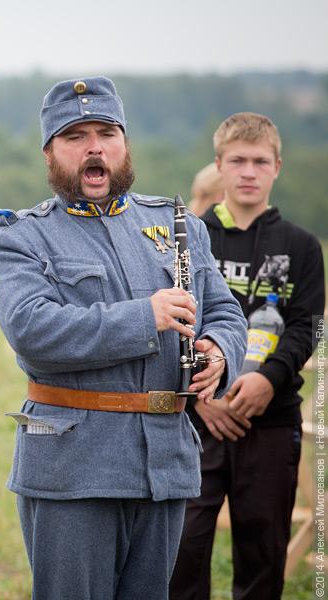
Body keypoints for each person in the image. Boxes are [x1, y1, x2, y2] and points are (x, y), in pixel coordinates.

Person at [0, 76, 247, 599]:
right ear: (50, 153)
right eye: (75, 136)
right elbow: (33, 330)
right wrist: (144, 317)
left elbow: (224, 310)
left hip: (164, 464)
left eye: (106, 132)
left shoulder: (179, 226)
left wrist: (219, 350)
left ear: (124, 143)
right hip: (73, 467)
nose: (94, 146)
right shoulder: (19, 238)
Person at [171, 113, 325, 600]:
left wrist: (268, 381)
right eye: (237, 160)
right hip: (195, 420)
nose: (248, 171)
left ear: (277, 166)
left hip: (271, 418)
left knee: (263, 556)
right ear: (219, 165)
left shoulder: (301, 246)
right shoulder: (189, 238)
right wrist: (201, 398)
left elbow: (307, 326)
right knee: (183, 552)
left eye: (260, 161)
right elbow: (176, 323)